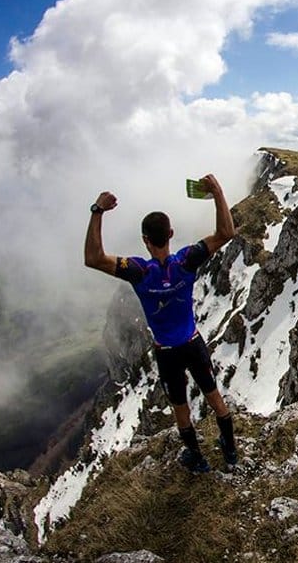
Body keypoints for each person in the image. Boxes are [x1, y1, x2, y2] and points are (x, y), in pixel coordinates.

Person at [84, 174, 237, 473]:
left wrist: (97, 211)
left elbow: (93, 257)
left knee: (181, 408)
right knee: (215, 397)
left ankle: (197, 458)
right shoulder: (186, 261)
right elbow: (225, 233)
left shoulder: (140, 272)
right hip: (193, 342)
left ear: (145, 240)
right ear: (171, 233)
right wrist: (217, 191)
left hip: (167, 352)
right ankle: (230, 451)